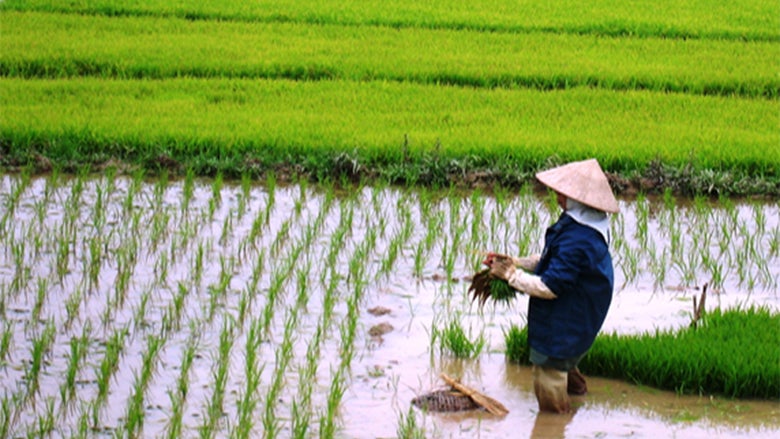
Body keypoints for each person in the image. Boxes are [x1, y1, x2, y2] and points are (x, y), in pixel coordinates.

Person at [486, 158, 619, 413]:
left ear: (578, 198)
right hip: (581, 309)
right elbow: (552, 261)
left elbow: (551, 286)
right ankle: (578, 398)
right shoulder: (585, 223)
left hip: (568, 315)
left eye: (562, 193)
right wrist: (516, 262)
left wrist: (512, 276)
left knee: (549, 374)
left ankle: (556, 420)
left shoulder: (579, 239)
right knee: (566, 357)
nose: (557, 196)